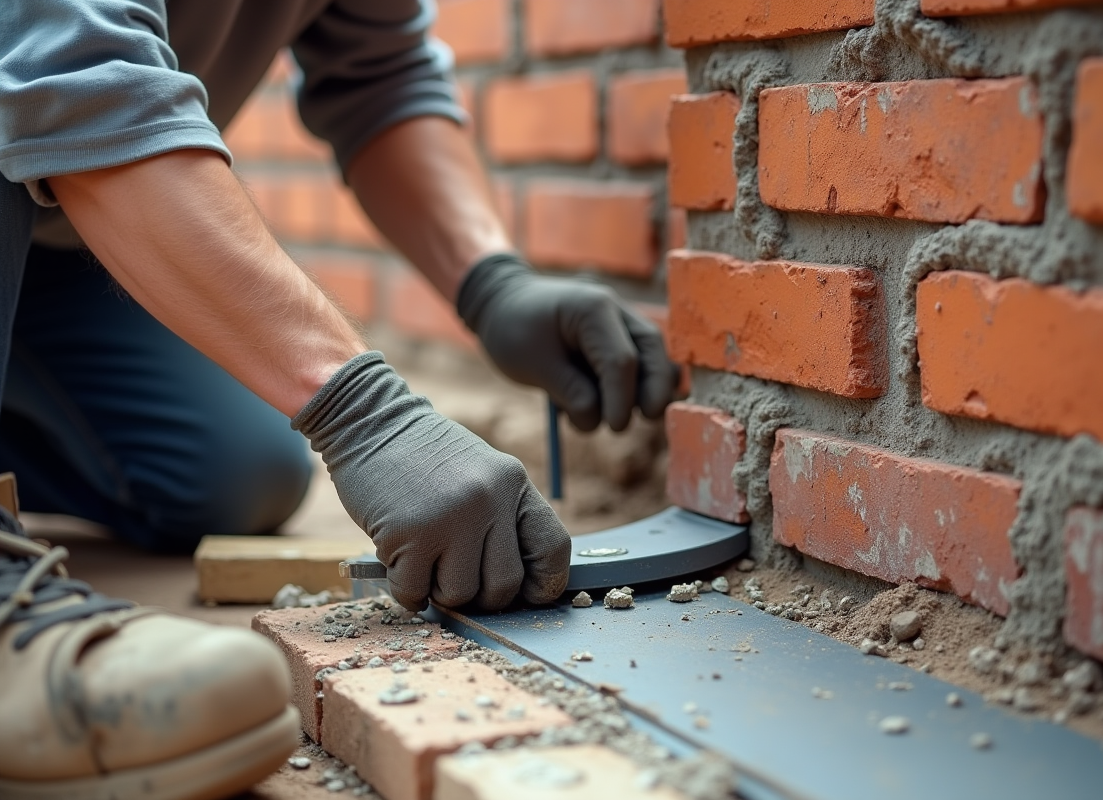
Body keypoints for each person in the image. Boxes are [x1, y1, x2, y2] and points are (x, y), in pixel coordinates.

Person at [0, 1, 677, 796]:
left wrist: (492, 282)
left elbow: (380, 76)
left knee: (231, 473)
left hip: (51, 237)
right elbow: (73, 79)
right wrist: (364, 412)